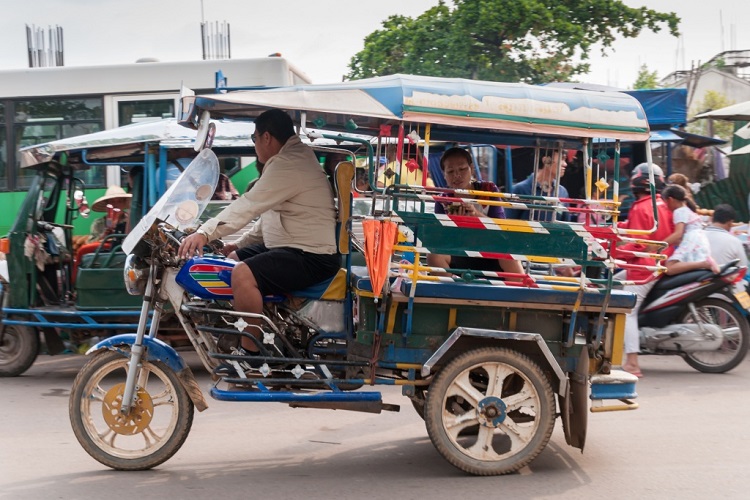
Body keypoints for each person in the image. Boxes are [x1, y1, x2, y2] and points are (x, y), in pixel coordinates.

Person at [178, 109, 340, 375]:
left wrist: (204, 233)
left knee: (242, 274)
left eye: (253, 138)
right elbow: (268, 220)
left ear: (266, 136)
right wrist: (237, 245)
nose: (254, 145)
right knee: (232, 262)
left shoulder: (289, 163)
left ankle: (251, 352)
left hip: (312, 256)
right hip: (293, 246)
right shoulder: (288, 159)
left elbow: (249, 205)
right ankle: (266, 329)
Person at [427, 148, 524, 278]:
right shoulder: (442, 201)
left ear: (471, 168)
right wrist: (453, 224)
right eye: (450, 171)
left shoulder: (489, 190)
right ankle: (448, 293)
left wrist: (476, 215)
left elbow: (502, 229)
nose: (457, 175)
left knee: (510, 254)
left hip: (490, 252)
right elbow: (441, 239)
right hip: (459, 253)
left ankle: (518, 294)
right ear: (444, 174)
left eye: (462, 169)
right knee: (433, 254)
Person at [617, 163, 674, 377]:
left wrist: (614, 253)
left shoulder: (642, 207)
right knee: (614, 284)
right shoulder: (661, 204)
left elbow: (638, 244)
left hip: (644, 268)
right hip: (659, 263)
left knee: (627, 310)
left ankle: (632, 362)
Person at [661, 184, 719, 275]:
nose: (666, 206)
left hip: (692, 239)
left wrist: (660, 245)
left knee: (669, 268)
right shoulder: (687, 210)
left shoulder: (679, 211)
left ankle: (703, 264)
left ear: (670, 200)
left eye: (665, 202)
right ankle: (705, 262)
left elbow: (678, 234)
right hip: (698, 239)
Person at [506, 150, 569, 221]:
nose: (565, 164)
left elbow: (566, 225)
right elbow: (508, 223)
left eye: (565, 159)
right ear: (546, 161)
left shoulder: (562, 192)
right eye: (562, 159)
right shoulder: (521, 189)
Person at [704, 204, 748, 291]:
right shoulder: (734, 241)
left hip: (701, 290)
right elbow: (744, 268)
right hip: (729, 290)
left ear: (712, 219)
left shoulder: (696, 236)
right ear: (730, 223)